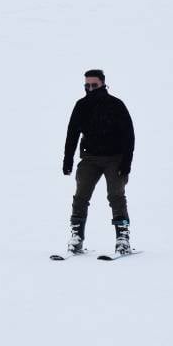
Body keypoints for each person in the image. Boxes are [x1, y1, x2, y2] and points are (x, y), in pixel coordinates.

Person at [62, 69, 136, 255]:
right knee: (80, 197)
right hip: (90, 158)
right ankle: (77, 238)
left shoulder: (116, 105)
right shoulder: (81, 105)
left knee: (116, 196)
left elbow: (129, 136)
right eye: (87, 85)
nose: (90, 88)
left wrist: (126, 162)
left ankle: (122, 239)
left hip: (115, 159)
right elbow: (72, 133)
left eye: (94, 85)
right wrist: (67, 159)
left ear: (103, 83)